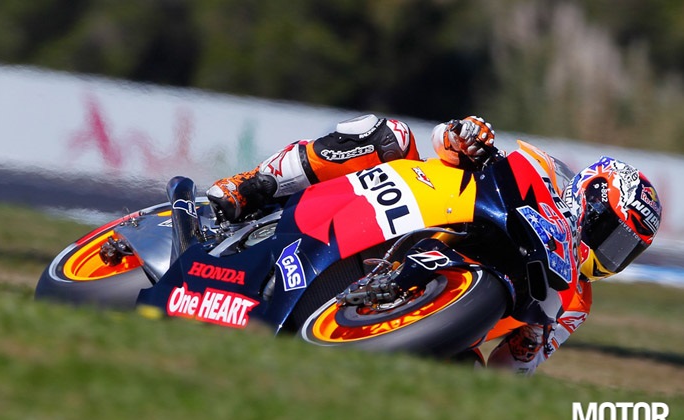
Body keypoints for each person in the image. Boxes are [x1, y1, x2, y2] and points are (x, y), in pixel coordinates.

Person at [206, 113, 662, 375]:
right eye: (613, 236)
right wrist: (464, 137)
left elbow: (511, 372)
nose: (610, 255)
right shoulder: (546, 173)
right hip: (421, 214)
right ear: (592, 201)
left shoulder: (576, 301)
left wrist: (530, 343)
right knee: (389, 135)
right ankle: (258, 181)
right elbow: (444, 142)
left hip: (440, 313)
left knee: (469, 375)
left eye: (626, 251)